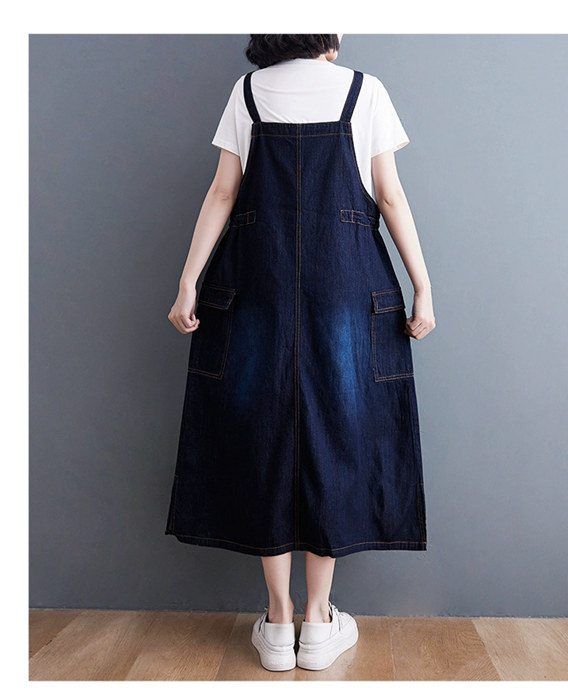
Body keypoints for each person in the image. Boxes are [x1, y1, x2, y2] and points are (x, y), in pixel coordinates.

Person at [165, 34, 435, 673]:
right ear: (327, 33)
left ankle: (278, 617)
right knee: (335, 433)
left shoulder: (247, 92)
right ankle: (318, 621)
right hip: (345, 287)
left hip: (255, 284)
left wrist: (188, 280)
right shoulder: (364, 91)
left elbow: (223, 192)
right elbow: (389, 195)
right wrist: (422, 284)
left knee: (264, 433)